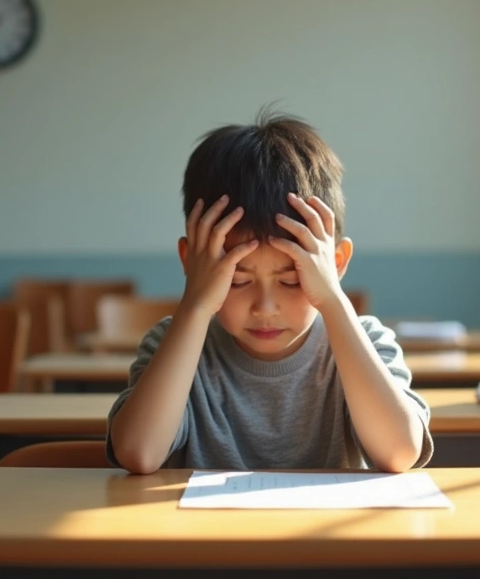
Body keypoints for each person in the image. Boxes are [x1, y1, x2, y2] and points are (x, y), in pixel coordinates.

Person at [106, 109, 432, 474]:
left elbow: (400, 452)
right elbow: (139, 453)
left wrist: (333, 301)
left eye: (292, 280)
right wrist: (195, 307)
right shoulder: (173, 343)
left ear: (336, 264)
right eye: (237, 280)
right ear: (192, 263)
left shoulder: (366, 343)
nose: (265, 307)